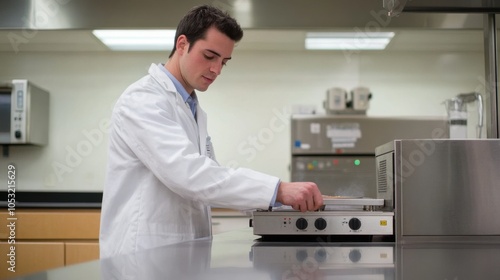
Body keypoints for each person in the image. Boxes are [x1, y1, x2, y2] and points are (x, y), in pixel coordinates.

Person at [99, 4, 323, 258]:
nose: (216, 70)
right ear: (182, 44)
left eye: (223, 62)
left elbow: (212, 177)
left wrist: (277, 205)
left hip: (181, 255)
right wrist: (278, 190)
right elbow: (189, 175)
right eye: (209, 56)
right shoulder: (143, 99)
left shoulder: (190, 106)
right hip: (144, 256)